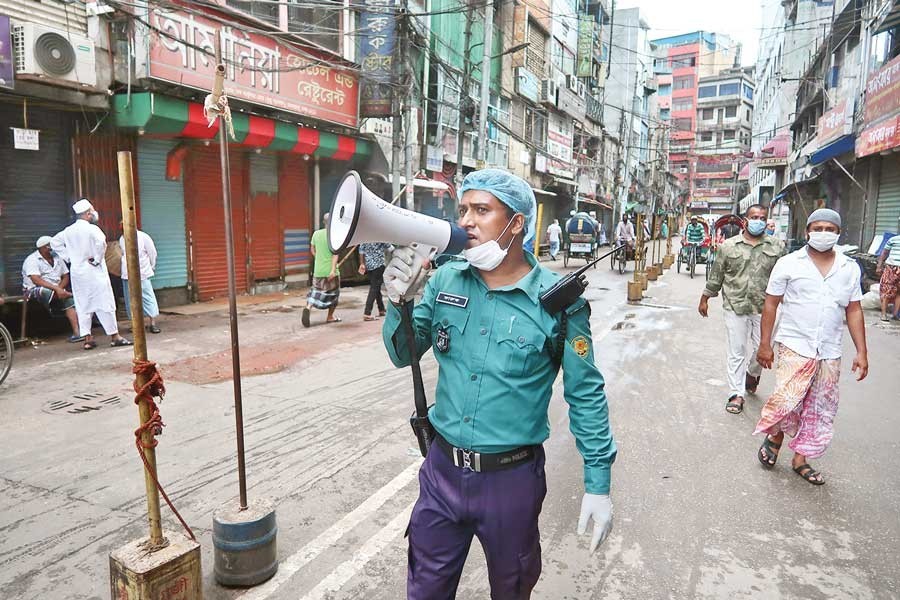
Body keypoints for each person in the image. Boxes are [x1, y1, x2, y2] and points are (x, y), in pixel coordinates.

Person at [382, 169, 616, 599]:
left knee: (511, 588)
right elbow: (403, 354)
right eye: (463, 209)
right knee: (425, 589)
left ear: (517, 222)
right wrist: (398, 301)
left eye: (482, 210)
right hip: (441, 471)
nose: (466, 221)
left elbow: (585, 394)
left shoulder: (559, 302)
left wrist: (597, 482)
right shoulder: (446, 279)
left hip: (512, 481)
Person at [754, 208, 868, 486]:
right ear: (807, 232)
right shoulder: (789, 263)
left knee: (819, 407)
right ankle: (776, 435)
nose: (823, 234)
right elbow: (771, 303)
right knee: (788, 398)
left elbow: (854, 310)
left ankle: (801, 459)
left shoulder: (849, 268)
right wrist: (765, 344)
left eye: (830, 229)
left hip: (829, 350)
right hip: (795, 344)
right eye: (818, 228)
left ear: (839, 233)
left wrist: (862, 352)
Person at [699, 205, 784, 414]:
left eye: (762, 218)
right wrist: (705, 298)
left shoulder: (777, 247)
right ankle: (736, 393)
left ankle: (752, 373)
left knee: (763, 348)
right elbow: (717, 274)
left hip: (765, 308)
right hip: (735, 305)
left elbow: (785, 278)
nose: (759, 221)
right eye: (754, 217)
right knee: (736, 351)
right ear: (745, 221)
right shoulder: (729, 246)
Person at [51, 199, 131, 350]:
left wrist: (69, 257)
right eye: (93, 210)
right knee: (104, 301)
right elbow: (101, 243)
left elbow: (55, 243)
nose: (95, 213)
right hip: (93, 271)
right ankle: (115, 336)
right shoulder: (92, 229)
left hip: (78, 273)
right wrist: (97, 259)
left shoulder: (68, 231)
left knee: (83, 304)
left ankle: (88, 339)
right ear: (88, 214)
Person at [22, 236, 83, 342]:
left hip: (56, 289)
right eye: (51, 246)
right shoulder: (32, 260)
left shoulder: (57, 258)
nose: (53, 248)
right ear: (44, 248)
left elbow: (66, 276)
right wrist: (57, 290)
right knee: (46, 291)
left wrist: (58, 289)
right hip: (33, 290)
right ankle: (64, 298)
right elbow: (36, 280)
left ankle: (77, 333)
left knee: (68, 300)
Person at [119, 222, 161, 334]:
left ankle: (152, 323)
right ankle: (135, 324)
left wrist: (152, 266)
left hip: (142, 273)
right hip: (127, 274)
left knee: (147, 298)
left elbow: (152, 253)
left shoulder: (144, 237)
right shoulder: (122, 239)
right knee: (130, 300)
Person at [302, 213, 341, 327]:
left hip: (318, 270)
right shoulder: (333, 235)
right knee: (334, 294)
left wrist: (318, 258)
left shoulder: (316, 234)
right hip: (330, 271)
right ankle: (330, 317)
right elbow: (335, 254)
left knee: (315, 291)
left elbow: (312, 249)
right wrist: (333, 270)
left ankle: (308, 307)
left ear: (323, 222)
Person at [358, 241, 389, 321]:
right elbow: (389, 247)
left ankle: (381, 309)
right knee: (374, 288)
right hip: (379, 265)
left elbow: (361, 250)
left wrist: (362, 264)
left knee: (376, 287)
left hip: (369, 266)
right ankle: (367, 313)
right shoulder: (379, 236)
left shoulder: (365, 237)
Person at [876, 233, 900, 322]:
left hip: (891, 267)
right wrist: (879, 265)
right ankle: (884, 314)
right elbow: (884, 253)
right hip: (891, 268)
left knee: (897, 292)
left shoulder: (893, 239)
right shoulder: (893, 240)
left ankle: (894, 315)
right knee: (888, 291)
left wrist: (879, 266)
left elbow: (884, 253)